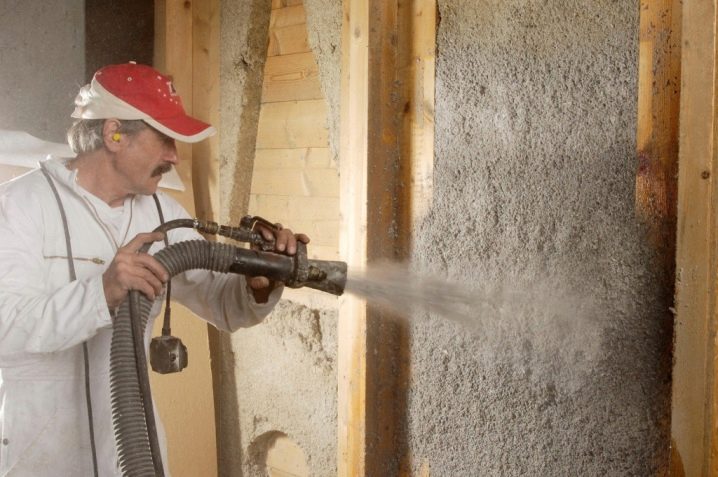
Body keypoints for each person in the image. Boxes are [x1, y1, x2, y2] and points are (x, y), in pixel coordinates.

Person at [0, 62, 307, 476]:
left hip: (134, 455)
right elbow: (6, 328)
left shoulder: (164, 213)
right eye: (164, 138)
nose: (174, 156)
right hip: (39, 457)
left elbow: (224, 305)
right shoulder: (20, 206)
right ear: (113, 134)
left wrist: (258, 283)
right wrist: (102, 291)